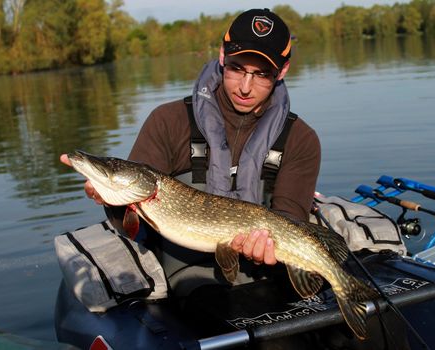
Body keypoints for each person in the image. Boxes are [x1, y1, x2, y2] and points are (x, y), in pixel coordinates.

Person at [60, 8, 321, 295]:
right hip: (188, 278)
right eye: (236, 68)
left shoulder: (301, 139)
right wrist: (111, 200)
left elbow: (292, 220)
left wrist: (266, 246)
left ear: (282, 71)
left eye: (261, 75)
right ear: (222, 55)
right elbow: (131, 224)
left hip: (270, 275)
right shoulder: (168, 121)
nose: (245, 87)